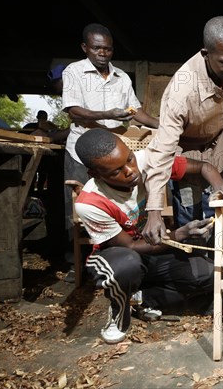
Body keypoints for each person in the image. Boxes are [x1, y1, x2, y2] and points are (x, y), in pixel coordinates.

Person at [73, 128, 223, 344]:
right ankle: (118, 310)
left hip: (154, 250)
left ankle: (143, 299)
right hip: (116, 256)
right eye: (116, 172)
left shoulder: (148, 161)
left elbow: (204, 167)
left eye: (129, 159)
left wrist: (220, 188)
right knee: (127, 265)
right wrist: (179, 234)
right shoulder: (90, 202)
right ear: (95, 174)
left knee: (208, 274)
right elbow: (130, 246)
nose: (131, 171)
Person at [142, 15, 223, 245]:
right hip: (187, 156)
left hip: (219, 151)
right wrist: (154, 210)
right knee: (191, 215)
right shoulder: (181, 93)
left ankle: (213, 266)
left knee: (217, 211)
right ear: (206, 54)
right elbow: (160, 153)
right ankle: (195, 271)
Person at [61, 22, 160, 283]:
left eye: (107, 49)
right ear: (85, 48)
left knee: (114, 206)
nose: (102, 53)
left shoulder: (122, 78)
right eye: (96, 48)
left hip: (112, 154)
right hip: (82, 151)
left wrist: (161, 124)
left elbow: (134, 111)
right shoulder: (74, 72)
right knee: (77, 207)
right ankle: (77, 263)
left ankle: (116, 253)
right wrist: (108, 115)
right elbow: (73, 110)